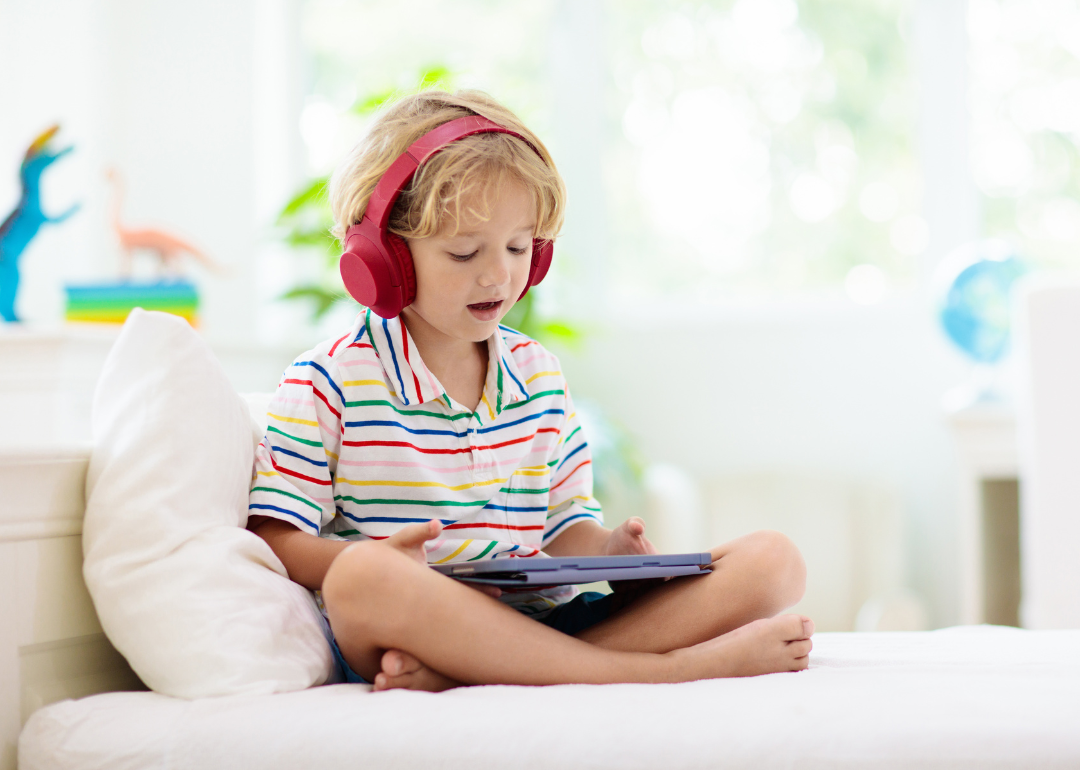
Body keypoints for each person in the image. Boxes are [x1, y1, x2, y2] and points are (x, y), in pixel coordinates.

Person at [248, 89, 812, 692]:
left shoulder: (537, 373)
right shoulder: (326, 381)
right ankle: (665, 670)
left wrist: (609, 551)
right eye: (465, 252)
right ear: (386, 259)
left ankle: (475, 675)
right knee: (361, 580)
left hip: (543, 624)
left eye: (519, 247)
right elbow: (276, 537)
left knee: (774, 561)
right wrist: (385, 563)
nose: (499, 275)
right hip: (413, 624)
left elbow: (564, 528)